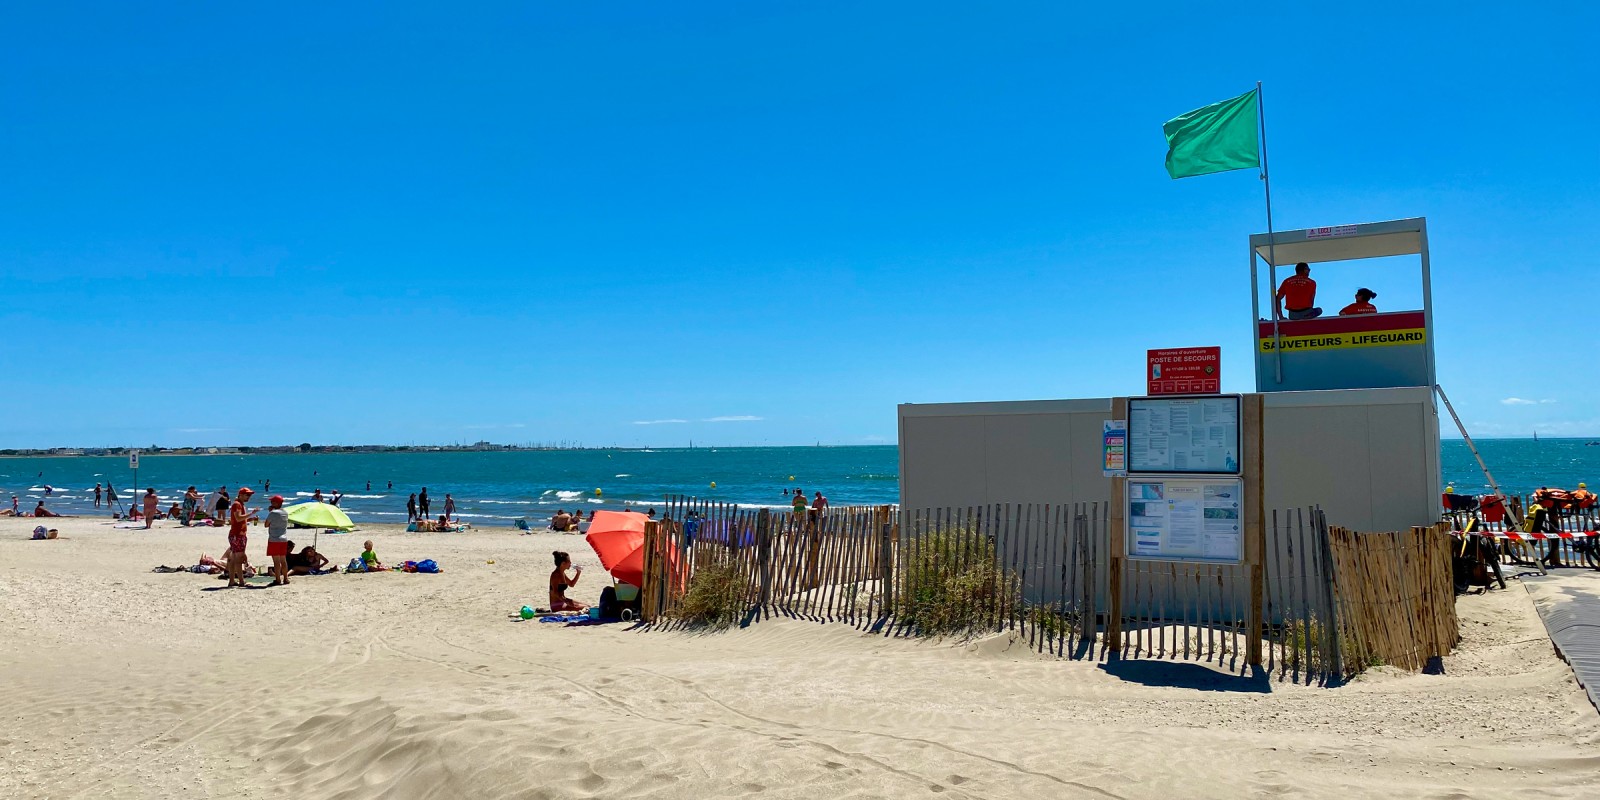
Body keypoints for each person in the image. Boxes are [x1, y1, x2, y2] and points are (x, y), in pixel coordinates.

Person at [226, 487, 258, 588]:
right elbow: (238, 518)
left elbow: (239, 520)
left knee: (234, 558)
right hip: (237, 535)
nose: (248, 497)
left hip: (238, 534)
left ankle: (232, 581)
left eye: (249, 495)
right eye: (246, 495)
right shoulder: (237, 504)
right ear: (240, 495)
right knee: (238, 559)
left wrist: (250, 518)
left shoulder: (240, 504)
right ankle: (241, 582)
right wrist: (251, 514)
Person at [265, 495, 291, 586]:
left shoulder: (273, 513)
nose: (271, 503)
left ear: (276, 503)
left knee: (276, 561)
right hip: (283, 538)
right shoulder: (285, 512)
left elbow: (266, 524)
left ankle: (278, 579)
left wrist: (271, 512)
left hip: (274, 539)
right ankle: (286, 578)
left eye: (273, 502)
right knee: (283, 560)